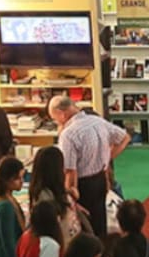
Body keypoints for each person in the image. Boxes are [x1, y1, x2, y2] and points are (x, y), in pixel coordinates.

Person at [50, 95, 129, 240]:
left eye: (55, 118)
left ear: (62, 114)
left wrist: (68, 196)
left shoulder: (69, 134)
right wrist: (108, 157)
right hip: (100, 178)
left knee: (85, 226)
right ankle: (102, 254)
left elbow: (69, 171)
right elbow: (124, 137)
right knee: (100, 222)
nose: (56, 122)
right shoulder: (97, 121)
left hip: (82, 185)